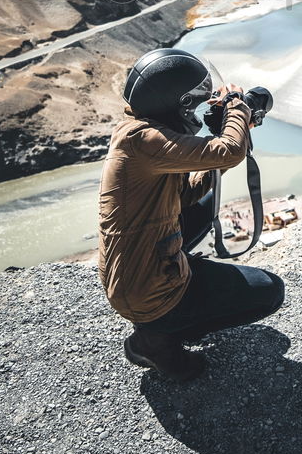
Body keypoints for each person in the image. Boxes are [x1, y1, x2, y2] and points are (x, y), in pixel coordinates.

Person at [98, 47, 285, 381]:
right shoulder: (145, 142)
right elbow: (230, 151)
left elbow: (187, 194)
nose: (199, 113)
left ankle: (167, 315)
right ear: (180, 104)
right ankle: (156, 339)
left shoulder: (137, 133)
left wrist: (214, 143)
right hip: (147, 290)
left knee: (199, 208)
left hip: (133, 271)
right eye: (196, 104)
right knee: (269, 291)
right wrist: (237, 109)